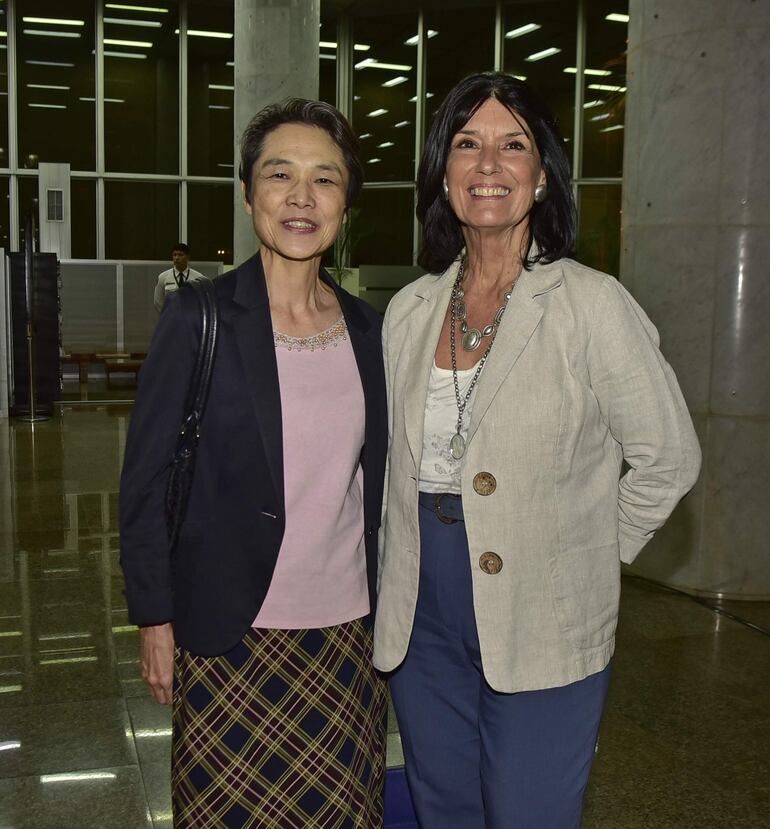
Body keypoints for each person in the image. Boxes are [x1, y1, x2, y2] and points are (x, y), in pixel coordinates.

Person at [373, 72, 701, 829]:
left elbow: (668, 455)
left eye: (511, 145)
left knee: (529, 812)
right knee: (444, 804)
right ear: (443, 175)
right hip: (420, 608)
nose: (488, 165)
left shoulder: (591, 304)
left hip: (543, 613)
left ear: (542, 175)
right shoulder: (410, 310)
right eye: (466, 145)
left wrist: (580, 556)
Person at [120, 99, 387, 828]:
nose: (302, 197)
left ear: (345, 203)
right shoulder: (198, 317)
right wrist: (154, 616)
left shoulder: (371, 331)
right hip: (228, 631)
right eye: (280, 174)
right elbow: (144, 481)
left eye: (325, 179)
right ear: (248, 195)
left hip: (343, 641)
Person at [153, 243, 208, 312]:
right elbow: (158, 300)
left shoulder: (198, 277)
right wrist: (166, 314)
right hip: (171, 317)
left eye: (180, 255)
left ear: (188, 257)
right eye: (174, 255)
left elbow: (202, 300)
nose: (177, 258)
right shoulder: (163, 277)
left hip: (191, 317)